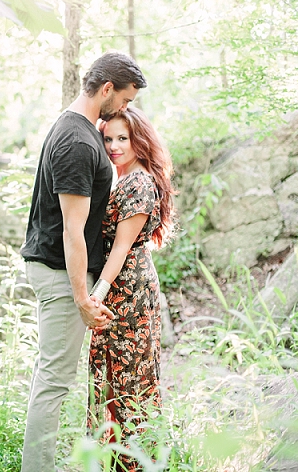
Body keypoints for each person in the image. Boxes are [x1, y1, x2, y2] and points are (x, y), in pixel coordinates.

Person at [20, 52, 148, 472]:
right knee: (54, 382)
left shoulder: (80, 130)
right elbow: (71, 229)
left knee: (52, 378)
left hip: (61, 270)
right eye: (125, 101)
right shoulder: (76, 141)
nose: (125, 111)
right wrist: (81, 296)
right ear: (107, 89)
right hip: (60, 273)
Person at [87, 107, 176, 471]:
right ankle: (117, 460)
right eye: (108, 138)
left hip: (129, 289)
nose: (114, 146)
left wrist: (97, 294)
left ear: (139, 138)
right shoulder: (125, 180)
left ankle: (134, 463)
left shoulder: (138, 183)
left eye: (122, 138)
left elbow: (121, 247)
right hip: (123, 283)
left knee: (128, 375)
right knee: (117, 371)